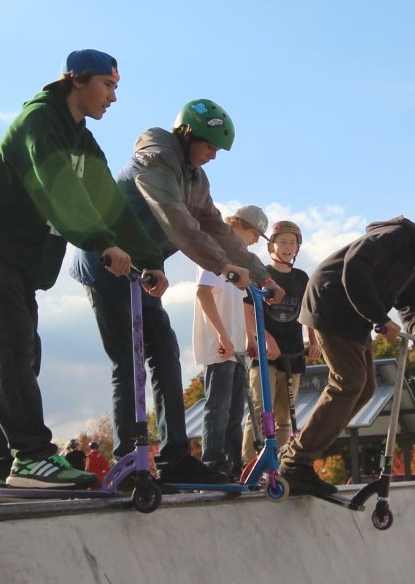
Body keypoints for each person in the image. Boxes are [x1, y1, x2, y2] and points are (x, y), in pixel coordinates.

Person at [0, 49, 167, 489]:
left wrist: (150, 258)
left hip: (18, 259)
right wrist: (101, 241)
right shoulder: (40, 121)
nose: (113, 97)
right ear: (78, 80)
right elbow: (59, 188)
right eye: (108, 86)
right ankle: (31, 458)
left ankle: (3, 465)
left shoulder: (82, 141)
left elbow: (110, 203)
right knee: (13, 348)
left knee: (22, 353)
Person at [65, 98, 278, 486]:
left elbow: (218, 230)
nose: (213, 156)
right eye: (210, 146)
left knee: (165, 354)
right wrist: (222, 266)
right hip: (106, 265)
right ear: (187, 133)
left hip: (144, 273)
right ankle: (128, 459)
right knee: (128, 361)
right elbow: (175, 220)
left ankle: (174, 457)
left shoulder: (196, 180)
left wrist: (262, 275)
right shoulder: (156, 158)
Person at [278, 202, 415, 496]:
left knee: (366, 388)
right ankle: (295, 463)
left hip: (356, 315)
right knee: (349, 380)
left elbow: (407, 299)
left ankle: (298, 455)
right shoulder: (392, 237)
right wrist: (380, 319)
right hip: (330, 302)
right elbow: (353, 270)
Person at [195, 205, 271, 478]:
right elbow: (203, 293)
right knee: (219, 407)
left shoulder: (240, 262)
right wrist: (222, 335)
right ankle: (213, 463)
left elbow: (240, 305)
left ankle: (232, 465)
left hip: (238, 346)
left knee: (237, 410)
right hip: (221, 345)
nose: (255, 240)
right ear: (239, 225)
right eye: (254, 234)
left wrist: (249, 338)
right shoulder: (215, 252)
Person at [241, 220, 316, 463]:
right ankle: (250, 465)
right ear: (271, 246)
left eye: (292, 243)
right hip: (266, 356)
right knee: (262, 412)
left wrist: (313, 342)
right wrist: (263, 338)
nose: (287, 247)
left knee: (285, 418)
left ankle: (281, 465)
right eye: (282, 242)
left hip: (293, 354)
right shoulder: (262, 275)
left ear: (298, 248)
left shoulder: (302, 278)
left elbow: (308, 313)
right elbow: (248, 310)